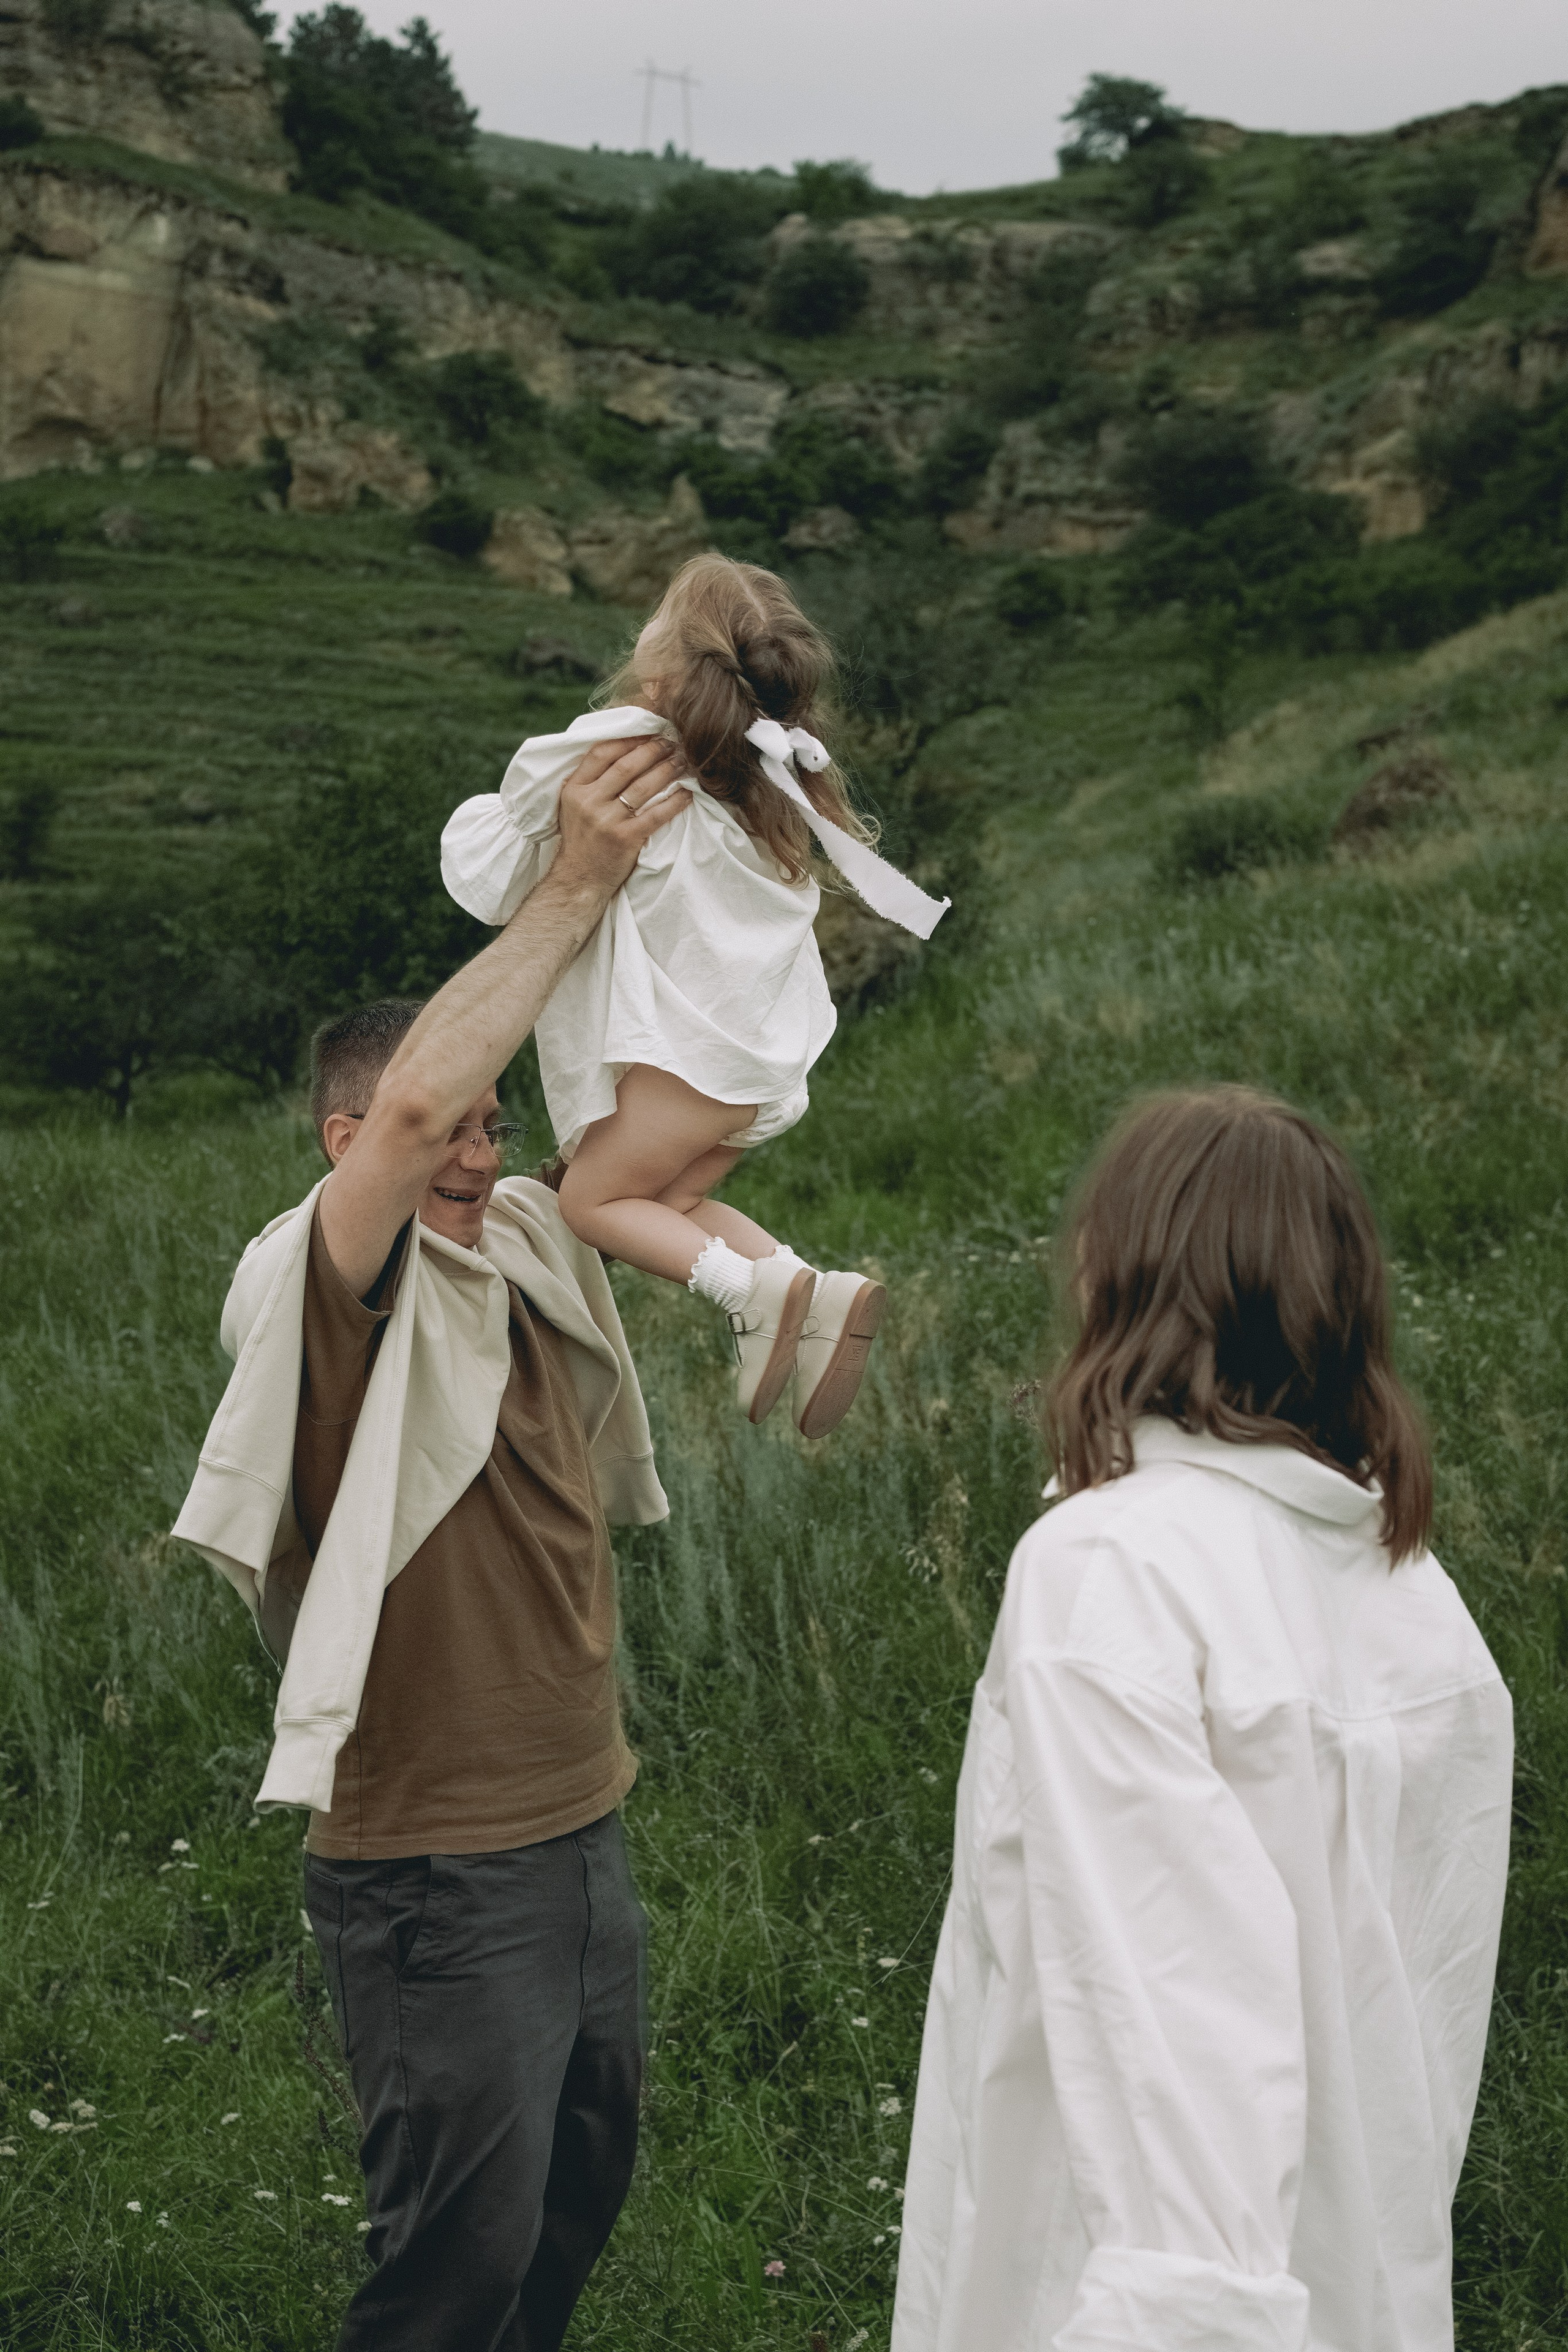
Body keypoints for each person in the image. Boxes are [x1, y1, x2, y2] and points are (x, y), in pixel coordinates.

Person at [173, 736, 696, 2352]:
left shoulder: (520, 1244)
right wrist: (575, 880)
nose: (475, 1156)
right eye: (443, 1133)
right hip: (439, 1872)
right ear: (348, 1145)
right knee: (451, 2276)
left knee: (566, 2211)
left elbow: (663, 1137)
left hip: (577, 1823)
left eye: (489, 1127)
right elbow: (412, 1111)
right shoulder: (325, 1294)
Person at [892, 1086, 1512, 2352]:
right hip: (1359, 2289)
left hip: (1125, 2298)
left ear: (1133, 1277)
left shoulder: (1110, 1571)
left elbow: (1169, 2018)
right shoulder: (1413, 1600)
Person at [440, 552, 949, 1440]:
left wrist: (586, 742)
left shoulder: (620, 751)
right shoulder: (772, 785)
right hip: (759, 1067)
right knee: (666, 1208)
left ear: (665, 664)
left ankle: (751, 1296)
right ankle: (811, 1291)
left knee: (589, 1205)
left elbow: (507, 837)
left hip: (693, 1066)